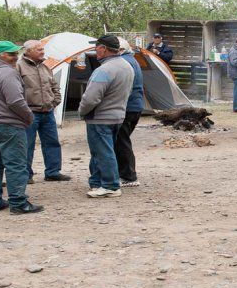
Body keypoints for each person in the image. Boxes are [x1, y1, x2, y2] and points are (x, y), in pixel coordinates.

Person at [0, 41, 42, 214]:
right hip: (8, 125)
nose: (15, 57)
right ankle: (18, 203)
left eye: (16, 53)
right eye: (11, 54)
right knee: (16, 165)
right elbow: (15, 101)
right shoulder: (7, 73)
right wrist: (29, 116)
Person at [78, 34, 134, 198]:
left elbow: (91, 98)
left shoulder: (103, 70)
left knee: (103, 152)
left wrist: (81, 111)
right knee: (101, 151)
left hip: (100, 117)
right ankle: (97, 183)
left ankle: (110, 185)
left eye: (96, 47)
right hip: (117, 116)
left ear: (103, 48)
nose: (95, 51)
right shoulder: (126, 66)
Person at [17, 40, 70, 184]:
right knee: (27, 144)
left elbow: (54, 85)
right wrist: (24, 109)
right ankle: (26, 175)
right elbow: (15, 91)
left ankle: (53, 172)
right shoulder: (18, 67)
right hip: (30, 113)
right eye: (39, 50)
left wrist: (55, 101)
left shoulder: (45, 67)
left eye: (42, 49)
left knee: (52, 142)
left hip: (48, 112)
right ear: (28, 51)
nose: (43, 52)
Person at [114, 37, 144, 188]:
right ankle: (124, 174)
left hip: (127, 107)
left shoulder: (124, 62)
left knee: (122, 141)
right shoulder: (131, 60)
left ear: (120, 50)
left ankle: (128, 176)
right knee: (122, 140)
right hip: (135, 106)